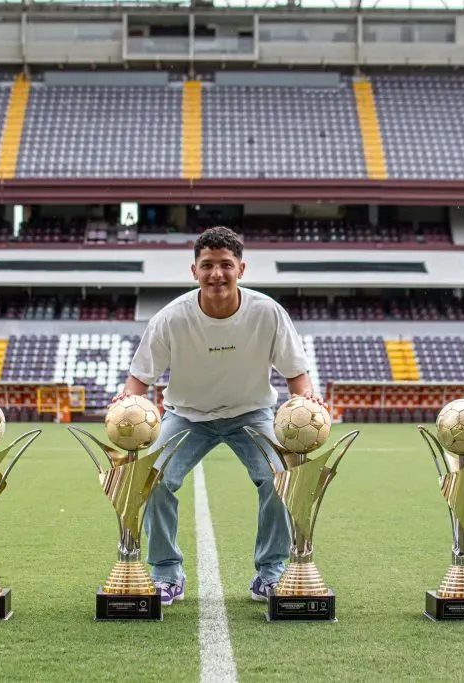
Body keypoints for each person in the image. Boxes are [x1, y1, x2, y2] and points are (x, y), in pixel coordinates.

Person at [111, 225, 323, 607]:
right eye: (207, 264)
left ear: (241, 268)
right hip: (186, 415)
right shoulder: (171, 318)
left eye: (225, 264)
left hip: (251, 413)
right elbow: (139, 379)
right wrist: (126, 402)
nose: (216, 274)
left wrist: (308, 403)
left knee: (278, 480)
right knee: (154, 480)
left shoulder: (268, 313)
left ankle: (271, 572)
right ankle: (164, 573)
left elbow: (297, 376)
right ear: (194, 271)